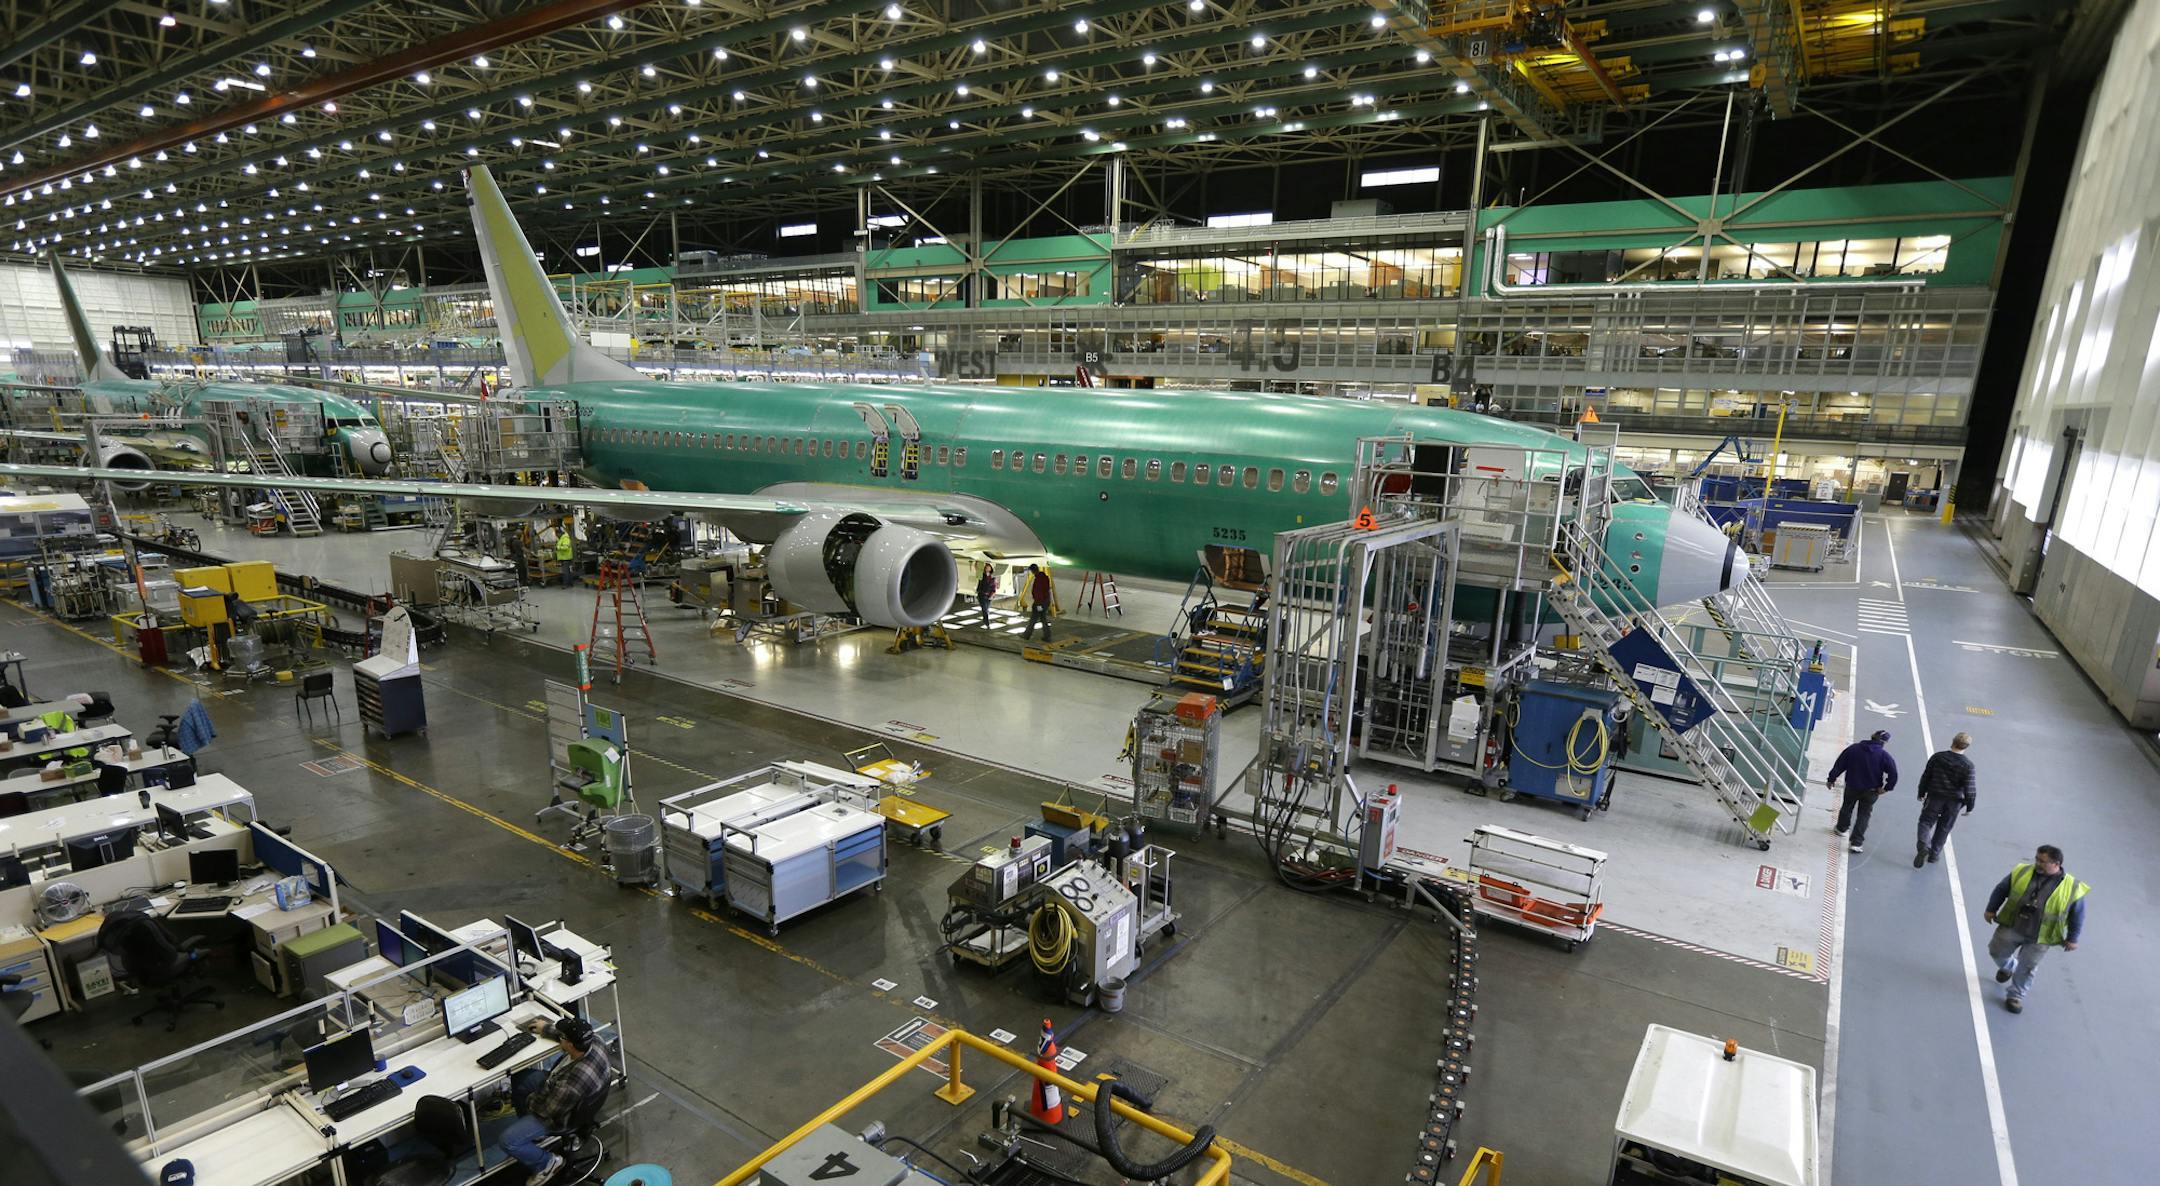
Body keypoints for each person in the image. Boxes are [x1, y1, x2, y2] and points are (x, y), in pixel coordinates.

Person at [500, 1015, 612, 1184]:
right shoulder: (596, 1041)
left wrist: (529, 1100)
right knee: (520, 1077)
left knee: (508, 1141)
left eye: (562, 1037)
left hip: (559, 1116)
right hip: (572, 1096)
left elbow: (546, 1110)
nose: (560, 1037)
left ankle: (547, 1163)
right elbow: (569, 1037)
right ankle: (535, 1137)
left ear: (570, 1045)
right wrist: (546, 1029)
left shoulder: (570, 1085)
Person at [1983, 845, 2090, 1014]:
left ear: (2057, 864)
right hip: (2013, 925)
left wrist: (2073, 938)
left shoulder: (2072, 887)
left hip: (2041, 936)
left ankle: (2015, 996)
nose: (2038, 864)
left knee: (2028, 967)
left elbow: (2078, 914)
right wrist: (1991, 909)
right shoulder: (2022, 872)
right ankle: (2009, 966)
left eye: (2043, 861)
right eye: (2037, 859)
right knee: (1996, 951)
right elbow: (2001, 889)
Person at [1826, 729, 1898, 854]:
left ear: (1872, 736)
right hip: (1872, 790)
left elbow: (1840, 764)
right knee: (1864, 814)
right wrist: (1886, 788)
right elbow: (1894, 774)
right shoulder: (1884, 756)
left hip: (1852, 786)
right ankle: (1856, 842)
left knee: (1847, 807)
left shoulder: (1854, 749)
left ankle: (1841, 828)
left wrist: (1831, 778)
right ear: (1884, 742)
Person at [1913, 731, 1978, 867]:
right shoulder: (1968, 765)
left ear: (1953, 742)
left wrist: (1921, 792)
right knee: (1944, 827)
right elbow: (1970, 789)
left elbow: (1926, 776)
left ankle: (1924, 846)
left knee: (1925, 822)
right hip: (1954, 802)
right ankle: (1934, 855)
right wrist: (1970, 807)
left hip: (1935, 797)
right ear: (1966, 746)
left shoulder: (1938, 757)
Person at [1021, 563, 1053, 641]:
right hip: (1045, 601)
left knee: (1034, 619)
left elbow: (1039, 593)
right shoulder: (1044, 577)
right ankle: (1047, 636)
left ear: (1033, 571)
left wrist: (1038, 604)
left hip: (1040, 603)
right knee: (1043, 618)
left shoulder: (1039, 580)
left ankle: (1026, 635)